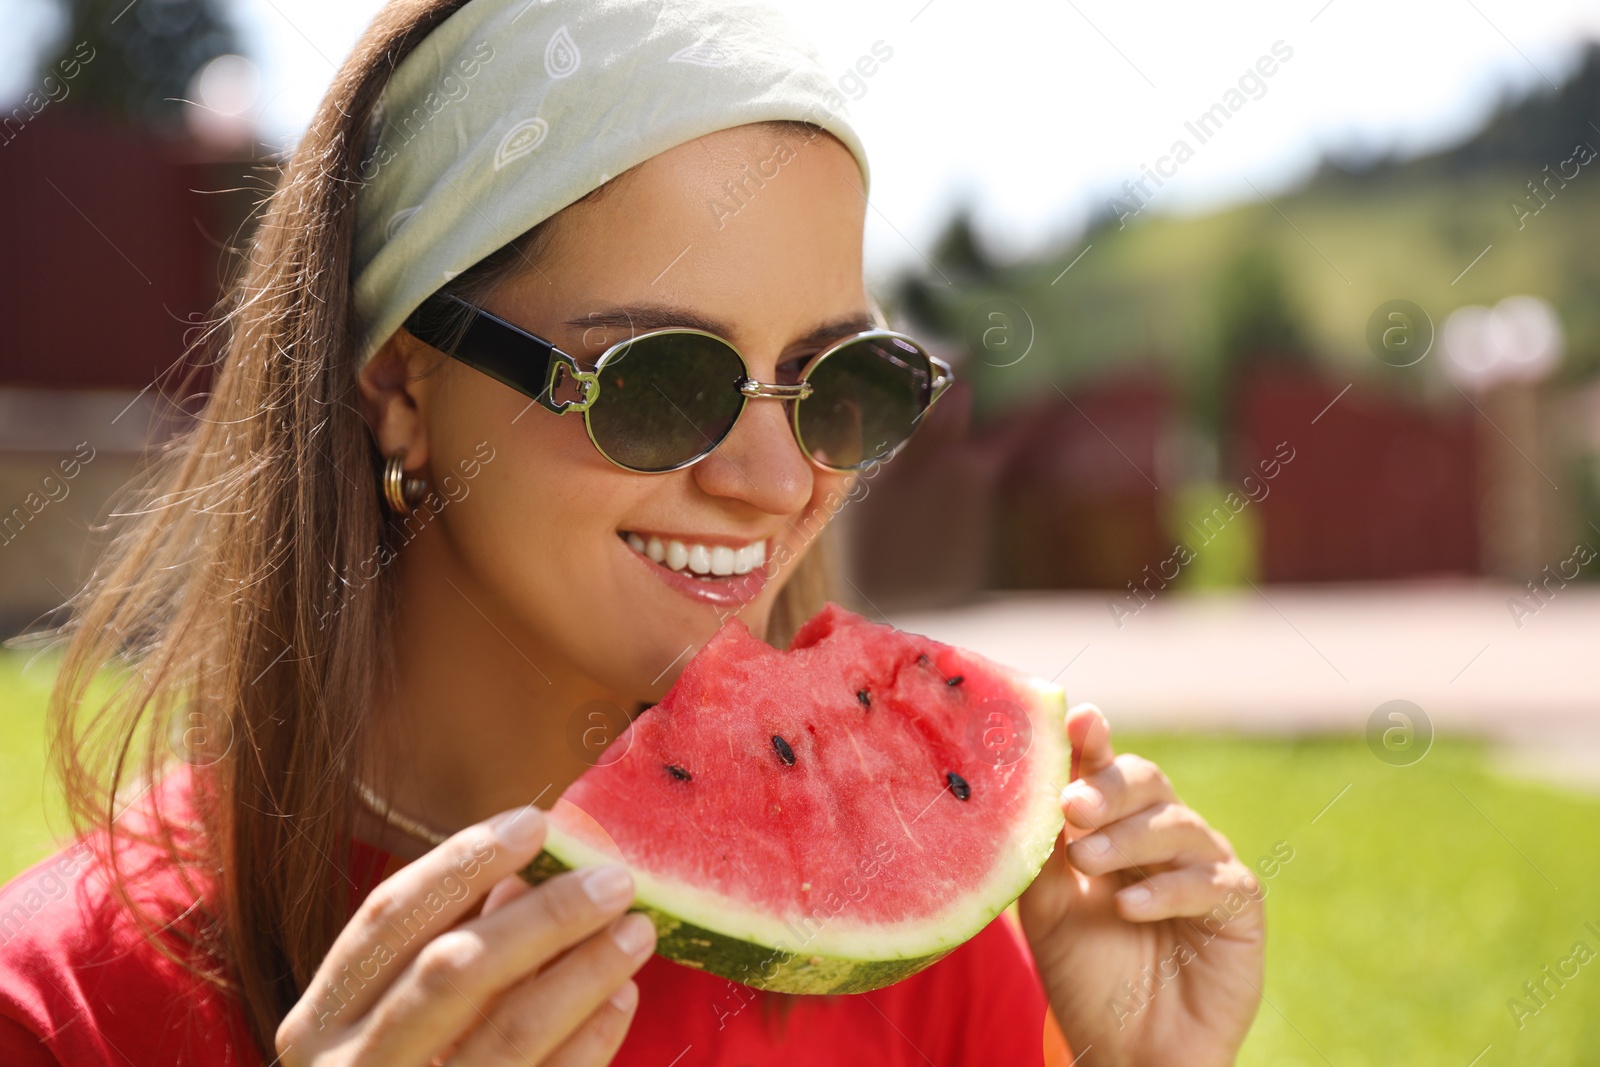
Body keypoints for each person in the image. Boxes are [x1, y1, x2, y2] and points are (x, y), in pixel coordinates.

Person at [0, 0, 1266, 1062]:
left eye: (840, 383)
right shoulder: (60, 1003)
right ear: (401, 382)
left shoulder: (928, 972)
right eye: (662, 383)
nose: (776, 481)